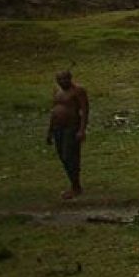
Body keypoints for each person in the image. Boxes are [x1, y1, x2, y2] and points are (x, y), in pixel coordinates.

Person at [46, 70, 88, 199]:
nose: (63, 81)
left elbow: (85, 111)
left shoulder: (78, 91)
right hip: (59, 128)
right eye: (60, 79)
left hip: (72, 127)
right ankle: (73, 183)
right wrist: (49, 131)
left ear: (70, 78)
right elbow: (54, 112)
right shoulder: (57, 92)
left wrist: (82, 130)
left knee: (69, 155)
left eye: (65, 79)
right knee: (63, 157)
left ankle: (76, 186)